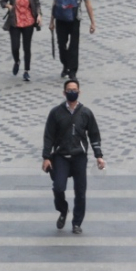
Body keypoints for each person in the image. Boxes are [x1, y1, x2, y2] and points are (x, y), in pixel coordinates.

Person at [42, 80, 104, 235]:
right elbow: (48, 136)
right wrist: (46, 157)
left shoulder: (86, 113)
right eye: (69, 90)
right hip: (61, 156)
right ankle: (63, 209)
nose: (72, 92)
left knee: (80, 192)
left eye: (74, 89)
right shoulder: (56, 112)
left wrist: (99, 156)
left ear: (79, 92)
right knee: (58, 187)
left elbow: (94, 135)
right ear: (64, 92)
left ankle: (77, 223)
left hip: (79, 157)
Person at [49, 0, 95, 79]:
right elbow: (55, 3)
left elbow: (87, 3)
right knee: (61, 44)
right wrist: (51, 21)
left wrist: (92, 22)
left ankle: (72, 71)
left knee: (74, 46)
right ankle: (65, 65)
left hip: (75, 18)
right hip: (60, 18)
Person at [0, 0, 41, 81]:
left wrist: (39, 15)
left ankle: (26, 70)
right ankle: (17, 61)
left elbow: (37, 4)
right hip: (15, 22)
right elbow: (2, 1)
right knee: (15, 46)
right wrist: (8, 6)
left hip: (28, 22)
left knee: (27, 48)